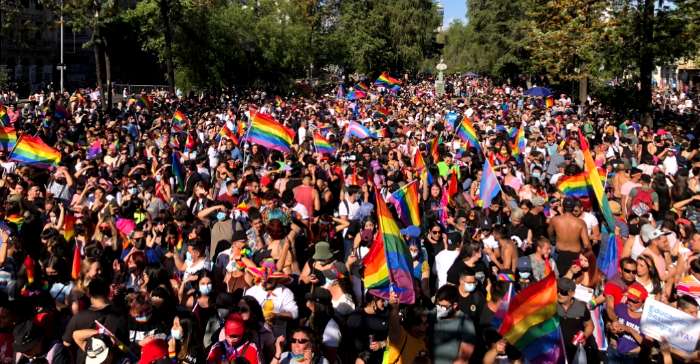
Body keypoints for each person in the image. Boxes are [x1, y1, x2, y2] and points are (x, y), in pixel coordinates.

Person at [432, 285, 476, 364]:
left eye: (443, 307)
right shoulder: (433, 317)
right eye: (438, 305)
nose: (439, 309)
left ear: (454, 305)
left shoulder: (465, 323)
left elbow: (463, 359)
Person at [548, 197, 591, 274]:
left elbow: (550, 233)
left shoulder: (555, 220)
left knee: (561, 280)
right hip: (575, 255)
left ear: (563, 207)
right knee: (574, 281)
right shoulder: (580, 222)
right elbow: (586, 244)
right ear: (573, 207)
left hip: (560, 254)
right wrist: (583, 252)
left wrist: (554, 241)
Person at [556, 277, 594, 363]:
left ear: (572, 293)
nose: (559, 294)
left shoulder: (581, 307)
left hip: (574, 351)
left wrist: (584, 337)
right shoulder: (551, 306)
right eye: (557, 290)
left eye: (563, 292)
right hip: (555, 351)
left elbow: (590, 325)